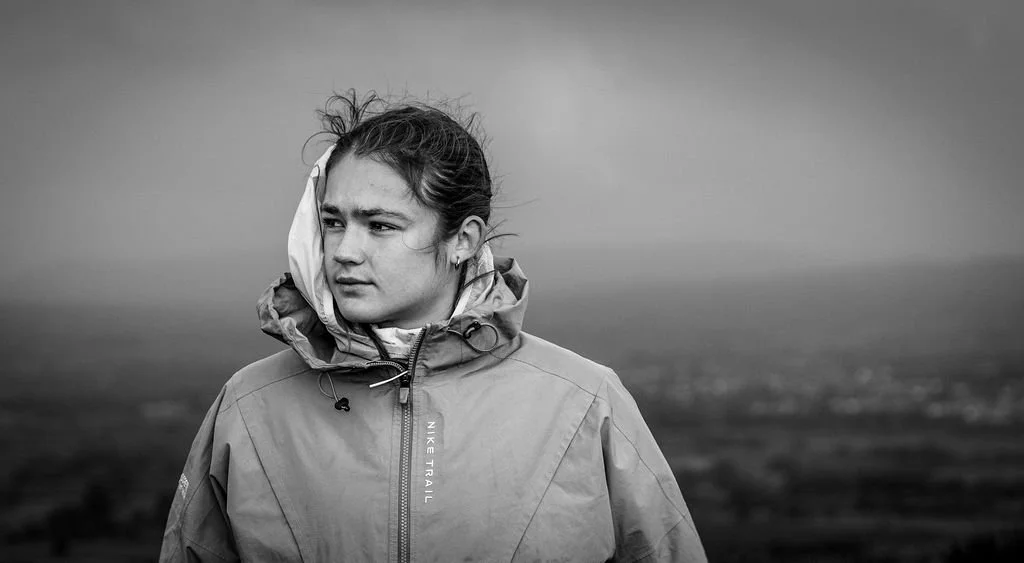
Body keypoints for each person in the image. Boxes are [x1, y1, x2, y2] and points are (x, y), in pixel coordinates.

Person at [159, 92, 707, 562]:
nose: (345, 251)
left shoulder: (586, 403)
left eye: (380, 225)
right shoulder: (249, 406)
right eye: (333, 222)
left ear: (463, 239)